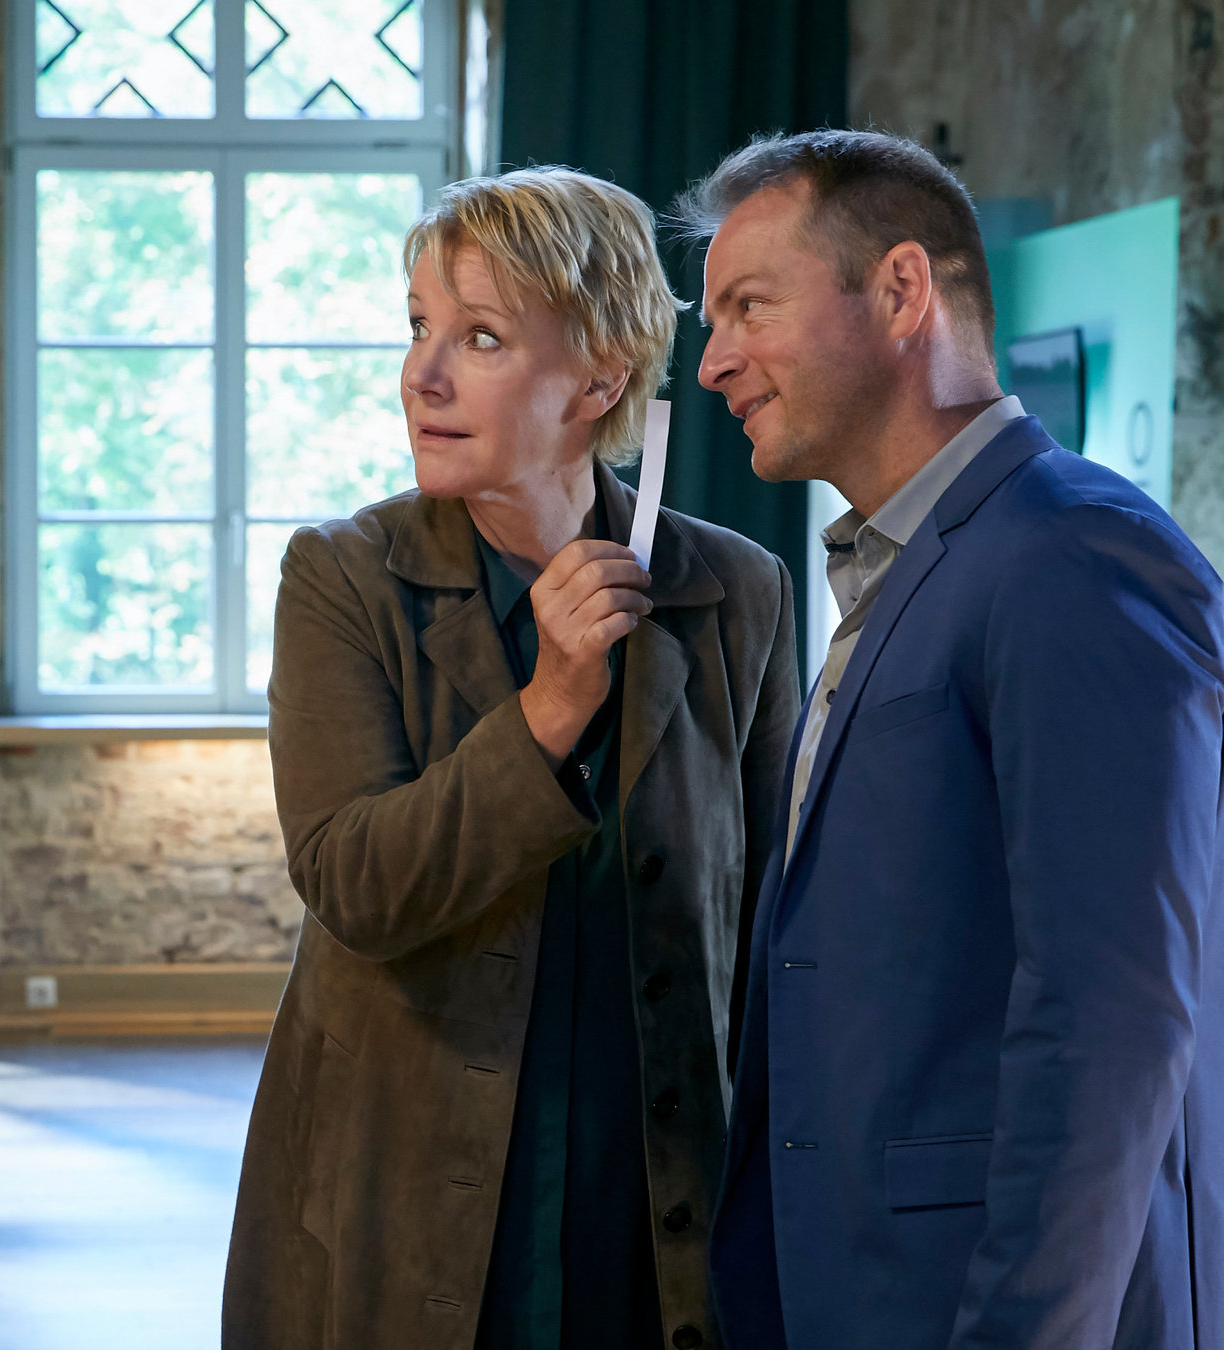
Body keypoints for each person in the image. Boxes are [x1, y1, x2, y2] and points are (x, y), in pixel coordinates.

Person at [684, 130, 1224, 1347]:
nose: (714, 360)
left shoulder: (1075, 554)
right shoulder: (902, 569)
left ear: (902, 291)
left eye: (750, 308)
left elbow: (1106, 1024)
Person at [223, 167, 801, 1350]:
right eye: (418, 328)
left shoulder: (735, 590)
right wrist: (550, 707)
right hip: (404, 1219)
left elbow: (771, 932)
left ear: (600, 379)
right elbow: (355, 885)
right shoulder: (343, 578)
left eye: (479, 338)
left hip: (654, 1224)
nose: (422, 376)